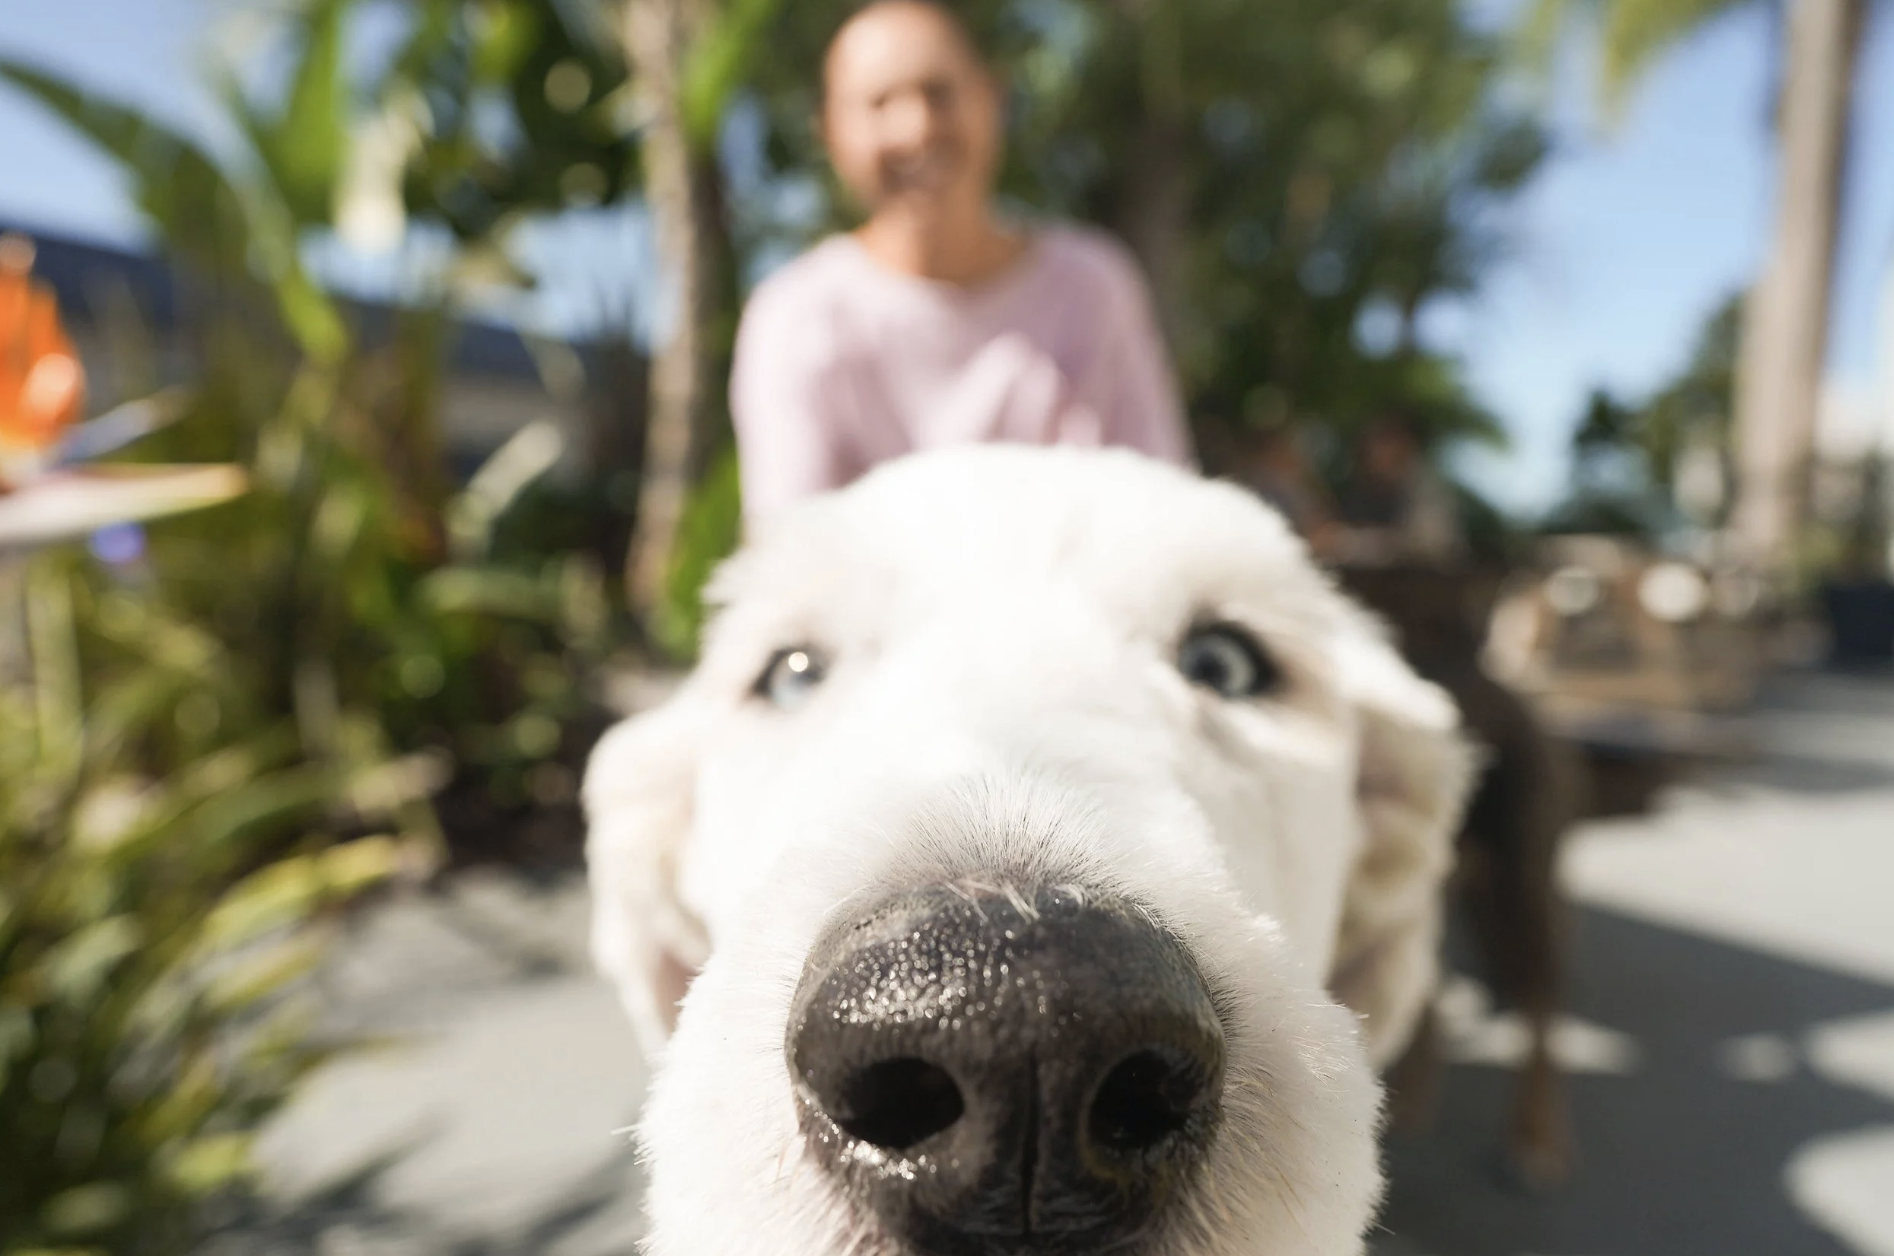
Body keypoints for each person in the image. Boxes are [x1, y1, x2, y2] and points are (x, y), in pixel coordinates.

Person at [729, 0, 1192, 530]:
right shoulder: (794, 316)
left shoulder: (1095, 286)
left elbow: (1161, 507)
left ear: (993, 97)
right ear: (829, 133)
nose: (916, 128)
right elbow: (790, 551)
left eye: (938, 92)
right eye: (879, 103)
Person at [1330, 412, 1466, 568]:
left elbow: (1430, 544)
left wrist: (1351, 543)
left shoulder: (1426, 488)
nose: (1373, 453)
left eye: (1383, 441)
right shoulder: (1366, 487)